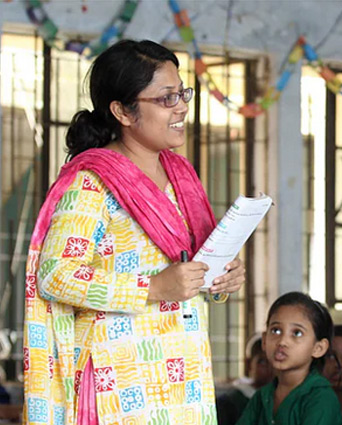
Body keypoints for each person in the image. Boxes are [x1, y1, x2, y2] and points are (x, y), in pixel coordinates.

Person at [22, 40, 244, 424]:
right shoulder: (93, 183)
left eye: (182, 93)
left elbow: (187, 270)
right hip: (118, 381)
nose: (181, 107)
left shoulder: (181, 177)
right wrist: (153, 288)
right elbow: (55, 275)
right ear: (123, 111)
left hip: (183, 376)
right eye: (166, 98)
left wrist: (220, 278)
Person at [236, 292, 342, 424]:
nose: (282, 341)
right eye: (276, 330)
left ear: (318, 348)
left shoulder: (321, 399)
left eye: (297, 333)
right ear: (264, 341)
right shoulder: (262, 396)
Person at [217, 334, 273, 424]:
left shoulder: (281, 399)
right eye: (262, 362)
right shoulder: (231, 402)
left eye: (274, 362)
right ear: (249, 363)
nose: (270, 368)